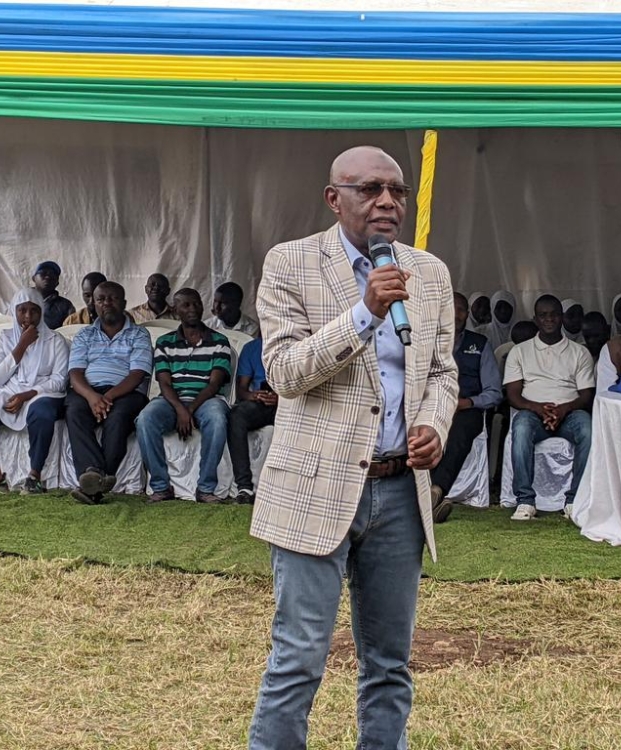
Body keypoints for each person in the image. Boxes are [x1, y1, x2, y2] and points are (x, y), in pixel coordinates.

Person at [248, 146, 457, 749]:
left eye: (397, 190)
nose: (387, 202)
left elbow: (442, 371)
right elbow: (285, 372)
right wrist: (364, 312)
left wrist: (435, 425)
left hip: (398, 493)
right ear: (334, 199)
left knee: (390, 665)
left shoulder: (431, 273)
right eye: (369, 190)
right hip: (315, 487)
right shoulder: (290, 264)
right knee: (298, 660)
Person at [136, 288, 233, 504]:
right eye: (185, 305)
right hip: (172, 400)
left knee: (217, 419)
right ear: (176, 310)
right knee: (145, 419)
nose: (192, 309)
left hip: (207, 400)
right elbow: (164, 382)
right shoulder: (165, 342)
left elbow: (215, 383)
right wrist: (180, 409)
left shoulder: (219, 341)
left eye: (196, 303)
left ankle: (205, 488)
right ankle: (161, 487)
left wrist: (189, 410)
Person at [504, 294, 594, 521]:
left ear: (562, 318)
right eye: (543, 315)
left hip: (570, 412)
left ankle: (574, 500)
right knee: (521, 426)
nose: (549, 320)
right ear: (535, 319)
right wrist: (537, 409)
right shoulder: (519, 351)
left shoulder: (579, 352)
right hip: (532, 413)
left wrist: (563, 410)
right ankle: (525, 501)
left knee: (588, 429)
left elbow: (586, 394)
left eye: (554, 315)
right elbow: (513, 394)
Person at [66, 281, 152, 504]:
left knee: (118, 416)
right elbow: (75, 373)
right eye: (101, 299)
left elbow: (137, 374)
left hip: (126, 391)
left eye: (112, 298)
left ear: (123, 303)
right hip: (89, 390)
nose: (107, 303)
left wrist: (108, 397)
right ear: (93, 304)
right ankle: (95, 475)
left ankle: (93, 482)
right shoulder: (84, 335)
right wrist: (93, 397)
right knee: (74, 410)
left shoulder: (139, 334)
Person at [0, 288, 69, 494]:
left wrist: (27, 395)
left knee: (43, 412)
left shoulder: (55, 341)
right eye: (22, 311)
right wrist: (21, 344)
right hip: (9, 393)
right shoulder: (6, 337)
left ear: (42, 313)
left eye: (34, 311)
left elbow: (59, 381)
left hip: (42, 394)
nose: (28, 317)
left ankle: (34, 476)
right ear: (14, 311)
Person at [430, 292, 502, 524]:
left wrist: (468, 402)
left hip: (466, 408)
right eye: (451, 308)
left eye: (461, 309)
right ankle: (429, 504)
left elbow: (494, 392)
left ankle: (436, 490)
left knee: (459, 435)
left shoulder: (480, 345)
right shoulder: (426, 340)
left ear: (467, 314)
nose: (456, 314)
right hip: (430, 406)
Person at [227, 335, 277, 505]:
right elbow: (241, 390)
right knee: (236, 416)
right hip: (260, 403)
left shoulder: (298, 342)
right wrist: (253, 395)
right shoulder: (252, 348)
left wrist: (282, 398)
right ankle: (244, 487)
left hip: (292, 403)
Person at [30, 261, 76, 330]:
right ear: (34, 278)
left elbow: (69, 331)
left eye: (52, 274)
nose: (48, 277)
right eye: (43, 273)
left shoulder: (66, 306)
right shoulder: (23, 300)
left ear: (57, 282)